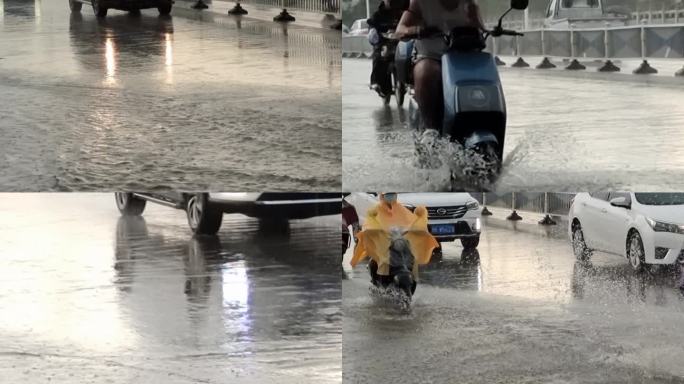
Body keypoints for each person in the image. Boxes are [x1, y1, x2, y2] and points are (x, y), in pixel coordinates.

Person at [394, 0, 486, 131]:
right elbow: (400, 30)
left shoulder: (469, 3)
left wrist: (493, 30)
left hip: (465, 58)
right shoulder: (420, 3)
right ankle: (430, 129)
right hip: (432, 57)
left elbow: (481, 27)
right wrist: (418, 30)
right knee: (426, 72)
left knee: (485, 69)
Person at [351, 193, 438, 285]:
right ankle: (378, 281)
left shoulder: (402, 209)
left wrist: (417, 229)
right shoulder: (376, 209)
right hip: (384, 240)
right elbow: (369, 223)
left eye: (392, 194)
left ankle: (413, 280)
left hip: (400, 239)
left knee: (413, 258)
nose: (390, 197)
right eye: (387, 195)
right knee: (379, 260)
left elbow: (411, 222)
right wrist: (373, 231)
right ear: (382, 197)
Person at [367, 0, 408, 96]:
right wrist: (373, 33)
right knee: (378, 55)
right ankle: (376, 82)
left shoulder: (404, 12)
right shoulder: (377, 15)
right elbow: (371, 26)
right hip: (383, 42)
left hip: (400, 42)